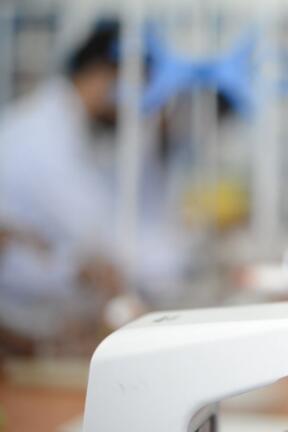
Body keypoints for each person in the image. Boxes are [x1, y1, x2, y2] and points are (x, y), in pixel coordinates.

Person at [0, 21, 189, 352]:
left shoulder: (66, 128)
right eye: (136, 88)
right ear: (105, 75)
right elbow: (97, 233)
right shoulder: (42, 139)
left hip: (42, 312)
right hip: (20, 318)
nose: (135, 105)